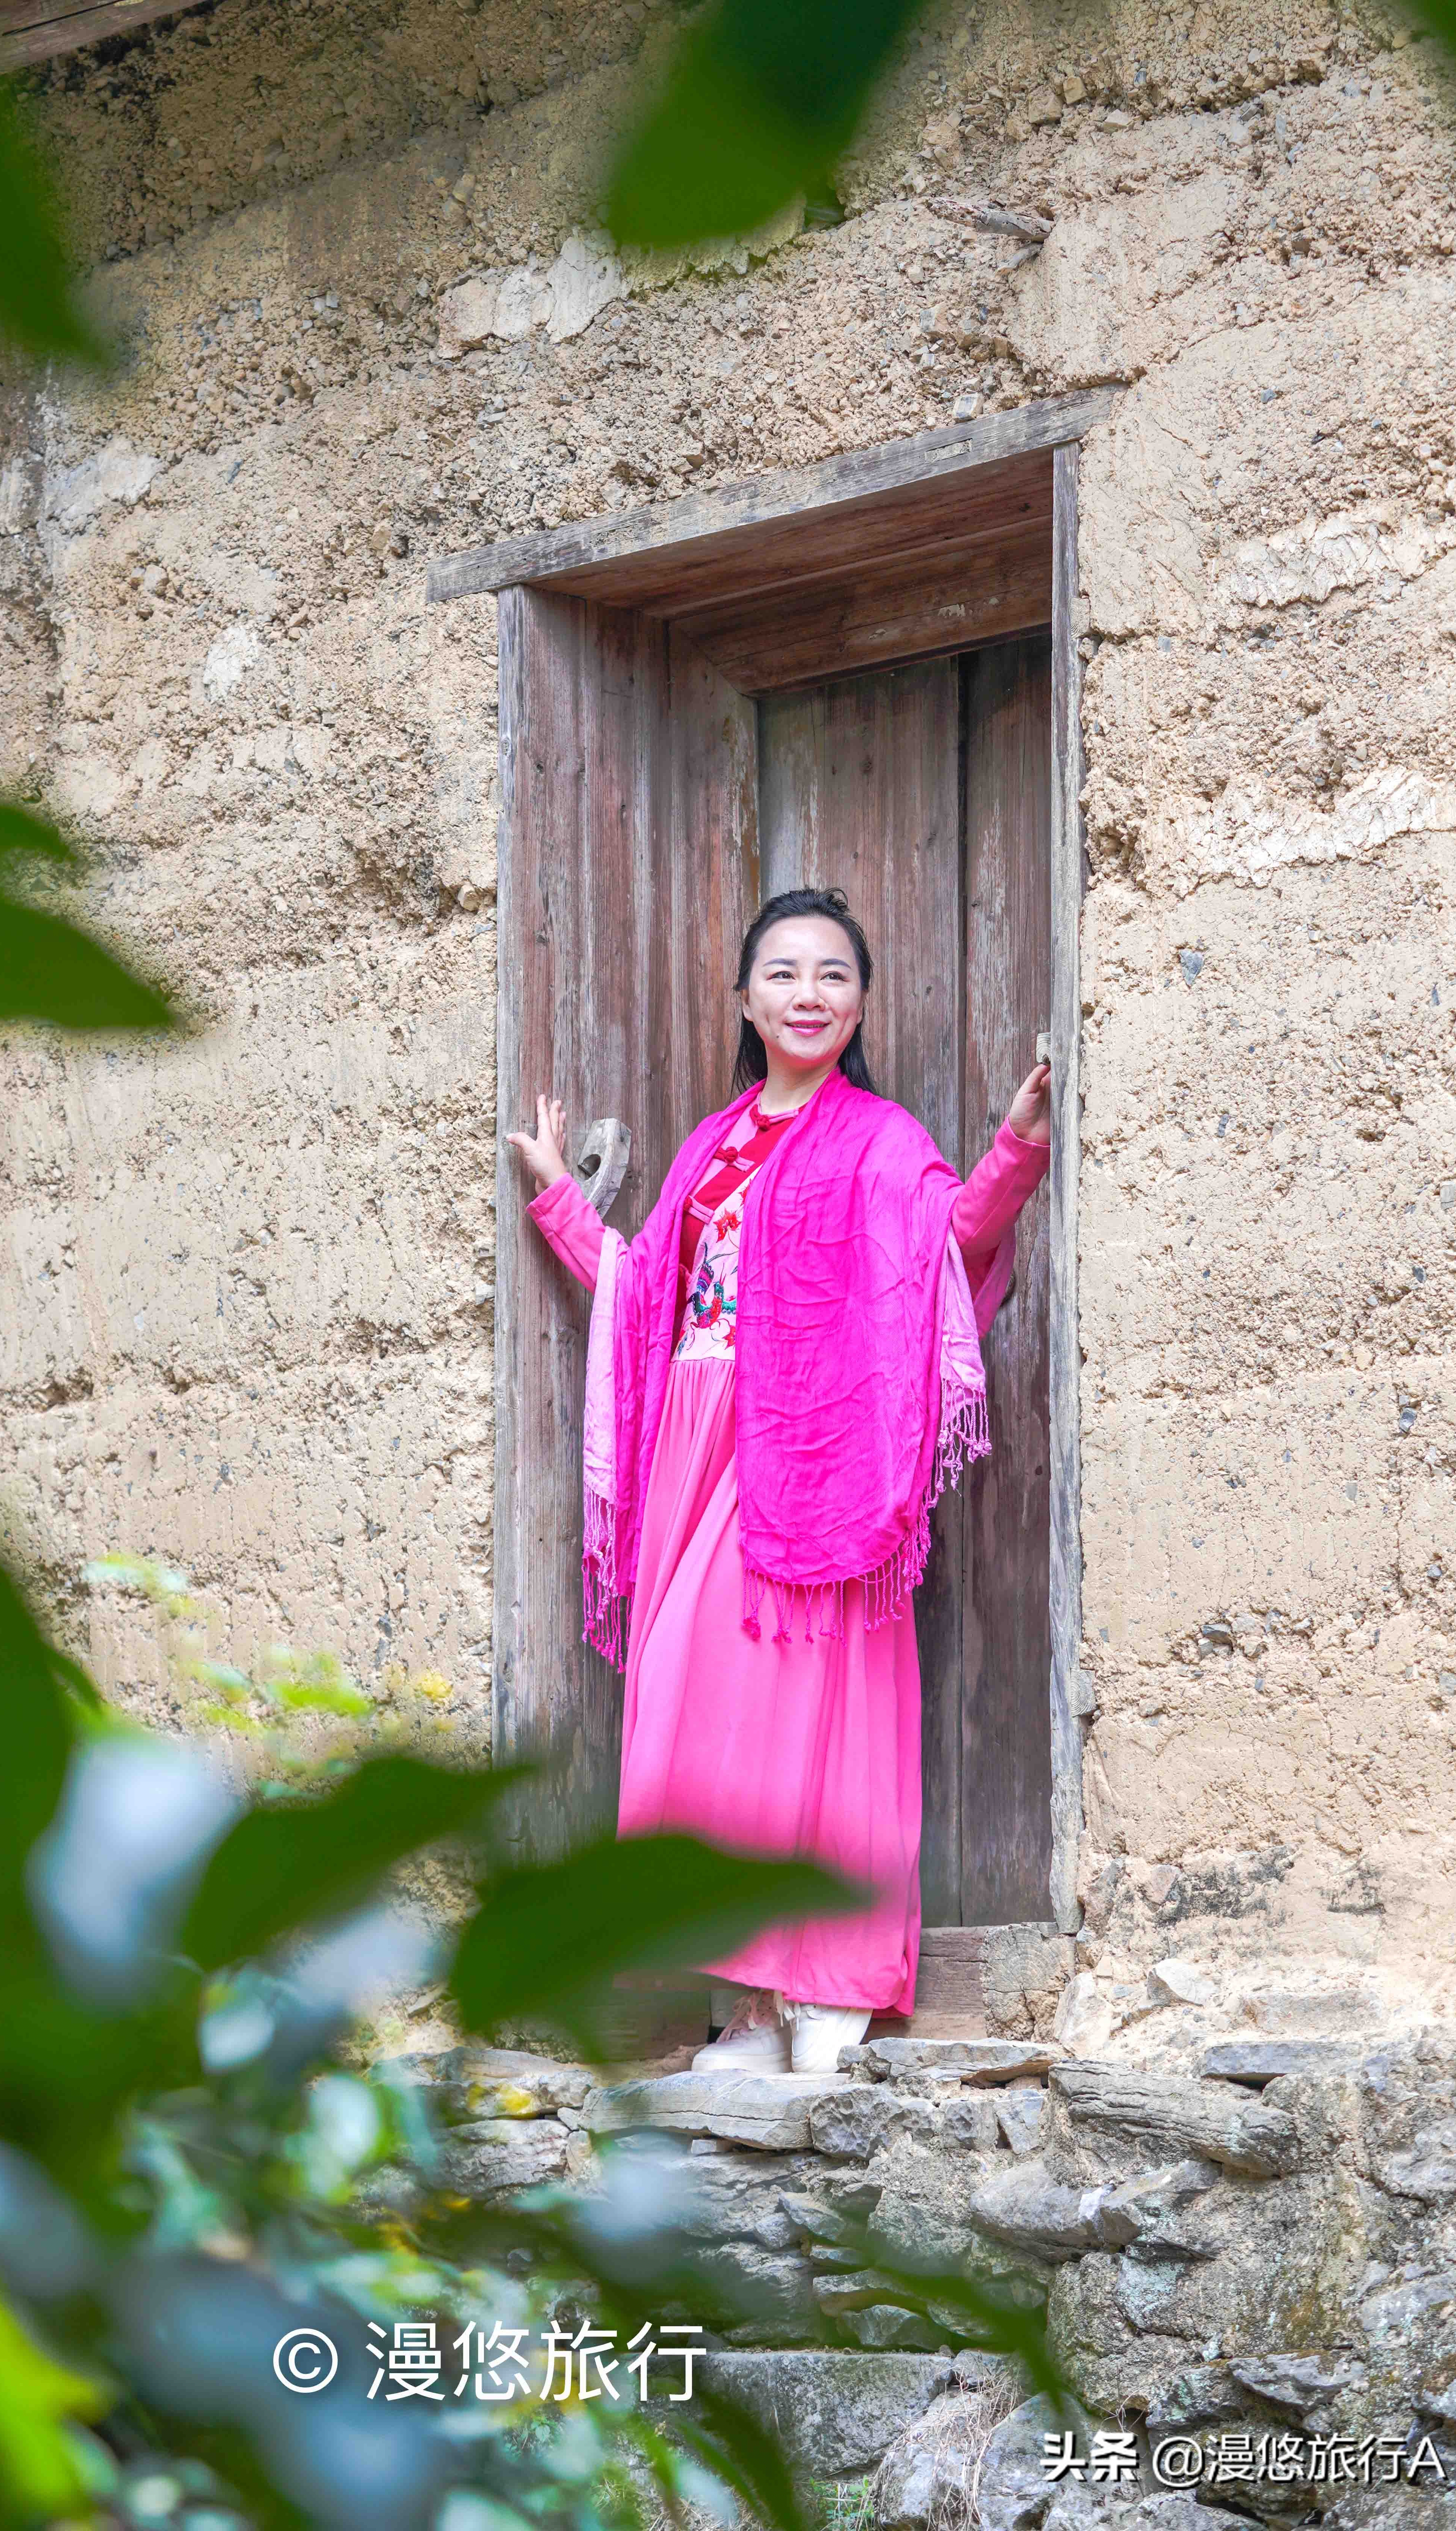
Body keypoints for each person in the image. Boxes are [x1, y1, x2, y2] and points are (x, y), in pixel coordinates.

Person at [505, 885, 1050, 2074]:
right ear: (745, 998)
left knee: (821, 1703)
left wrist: (1020, 1147)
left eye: (835, 977)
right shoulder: (711, 1145)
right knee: (688, 1707)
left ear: (860, 1004)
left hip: (815, 1440)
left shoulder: (882, 1138)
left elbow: (952, 1243)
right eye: (786, 974)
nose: (810, 996)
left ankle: (824, 1990)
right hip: (697, 1441)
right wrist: (556, 1191)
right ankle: (749, 2001)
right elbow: (648, 1291)